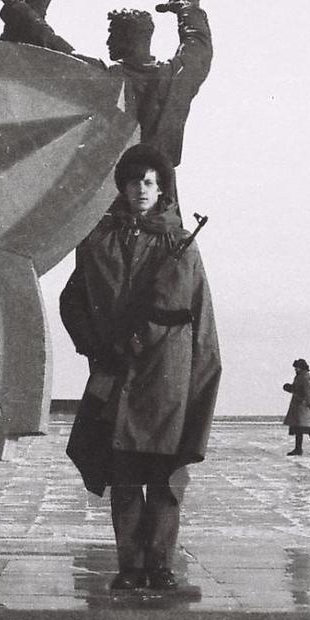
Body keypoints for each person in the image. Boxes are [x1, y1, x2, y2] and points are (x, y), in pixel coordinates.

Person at [59, 144, 220, 591]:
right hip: (117, 373)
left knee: (164, 477)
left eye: (150, 182)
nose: (141, 189)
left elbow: (199, 316)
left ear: (162, 188)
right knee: (124, 475)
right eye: (134, 181)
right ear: (123, 187)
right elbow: (72, 301)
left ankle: (160, 563)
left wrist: (201, 379)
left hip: (166, 376)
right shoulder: (98, 241)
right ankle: (131, 565)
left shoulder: (179, 242)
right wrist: (95, 347)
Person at [0, 0, 212, 197]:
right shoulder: (177, 79)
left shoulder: (102, 77)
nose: (107, 41)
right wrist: (188, 10)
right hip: (156, 206)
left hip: (100, 205)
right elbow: (199, 46)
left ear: (125, 39)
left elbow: (41, 42)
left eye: (112, 34)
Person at [283, 358, 310, 455]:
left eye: (297, 367)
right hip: (299, 406)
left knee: (303, 428)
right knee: (303, 428)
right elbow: (298, 389)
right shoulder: (300, 377)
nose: (295, 369)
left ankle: (302, 448)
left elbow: (309, 391)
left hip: (302, 406)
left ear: (301, 367)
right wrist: (290, 388)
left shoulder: (304, 377)